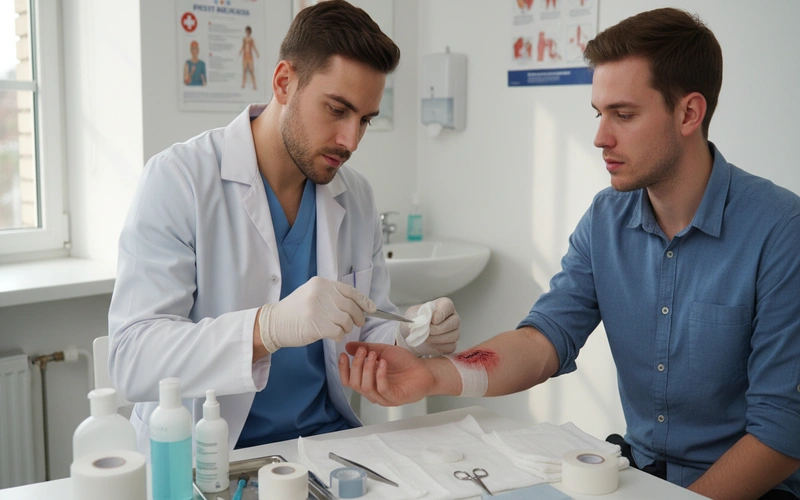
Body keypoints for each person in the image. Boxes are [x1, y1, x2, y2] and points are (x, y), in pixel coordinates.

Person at [340, 8, 800, 500]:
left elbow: (783, 430)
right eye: (599, 114)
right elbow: (544, 340)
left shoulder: (780, 230)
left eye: (624, 115)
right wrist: (432, 375)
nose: (601, 137)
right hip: (638, 475)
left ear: (689, 113)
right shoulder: (606, 218)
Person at [108, 0, 460, 455]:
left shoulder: (355, 195)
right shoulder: (179, 180)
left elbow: (365, 328)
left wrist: (409, 335)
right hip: (217, 455)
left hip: (327, 444)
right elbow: (133, 359)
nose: (351, 140)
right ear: (283, 83)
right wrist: (267, 328)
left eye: (365, 120)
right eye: (337, 109)